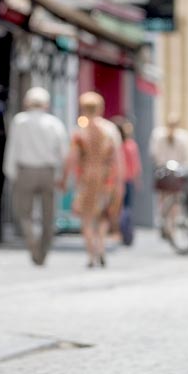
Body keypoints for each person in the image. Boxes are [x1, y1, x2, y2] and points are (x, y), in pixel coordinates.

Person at [3, 86, 69, 265]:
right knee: (49, 215)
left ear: (27, 102)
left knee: (23, 213)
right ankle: (43, 252)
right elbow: (64, 152)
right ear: (46, 104)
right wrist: (62, 175)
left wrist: (10, 172)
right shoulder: (54, 123)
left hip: (25, 171)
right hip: (48, 171)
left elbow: (12, 148)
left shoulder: (20, 121)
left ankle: (32, 241)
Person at [65, 91, 122, 268]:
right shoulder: (109, 130)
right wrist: (119, 182)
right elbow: (117, 158)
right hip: (106, 178)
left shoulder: (79, 132)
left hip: (86, 178)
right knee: (103, 215)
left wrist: (65, 178)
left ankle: (91, 254)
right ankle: (102, 247)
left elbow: (72, 158)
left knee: (87, 217)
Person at [149, 115, 188, 239]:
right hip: (176, 173)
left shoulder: (158, 134)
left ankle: (165, 223)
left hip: (163, 172)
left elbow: (154, 154)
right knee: (175, 202)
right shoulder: (184, 137)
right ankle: (172, 226)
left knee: (163, 199)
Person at [112, 115, 142, 246]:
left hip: (114, 180)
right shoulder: (130, 145)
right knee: (127, 207)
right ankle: (126, 232)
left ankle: (118, 232)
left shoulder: (114, 146)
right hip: (127, 180)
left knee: (116, 207)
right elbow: (136, 165)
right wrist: (137, 179)